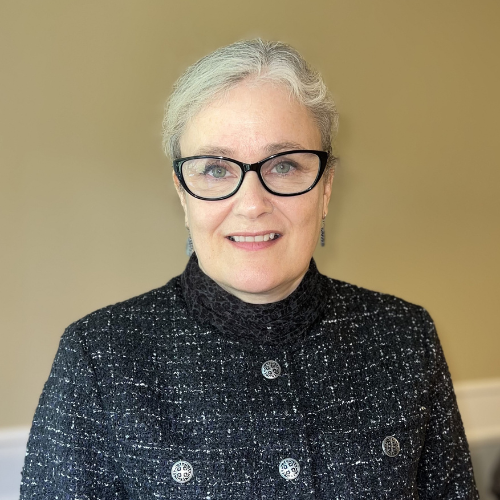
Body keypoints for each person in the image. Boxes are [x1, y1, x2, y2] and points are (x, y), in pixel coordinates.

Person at [20, 39, 478, 499]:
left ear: (326, 188)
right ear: (182, 193)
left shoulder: (405, 336)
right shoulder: (98, 356)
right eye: (216, 170)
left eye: (285, 166)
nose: (252, 204)